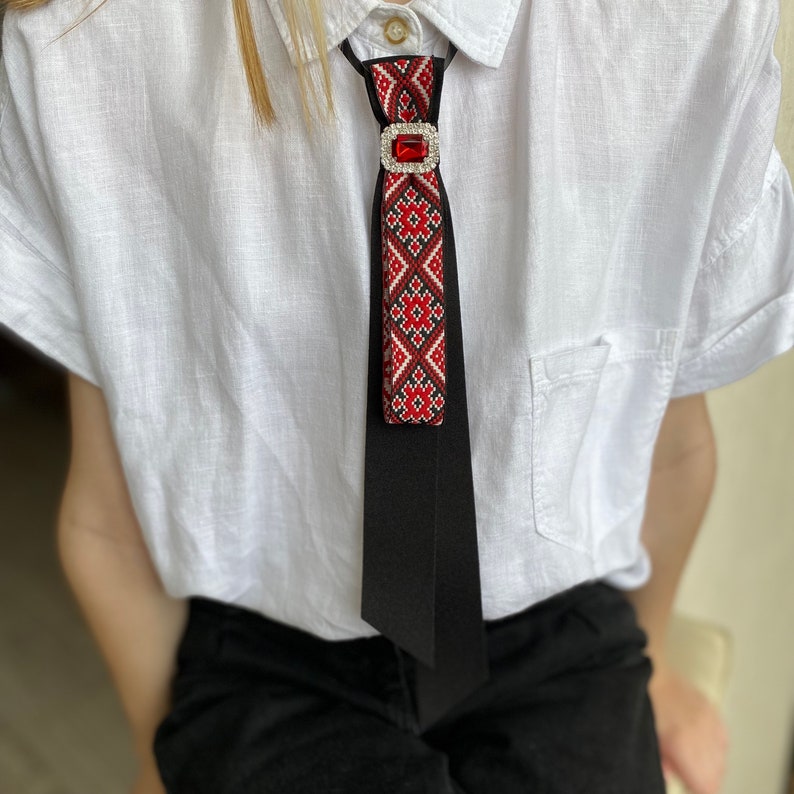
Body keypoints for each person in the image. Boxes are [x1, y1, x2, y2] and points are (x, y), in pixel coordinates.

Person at [0, 0, 791, 791]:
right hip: (268, 653)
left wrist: (645, 666)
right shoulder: (79, 47)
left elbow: (671, 440)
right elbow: (107, 515)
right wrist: (158, 747)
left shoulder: (689, 25)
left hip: (561, 636)